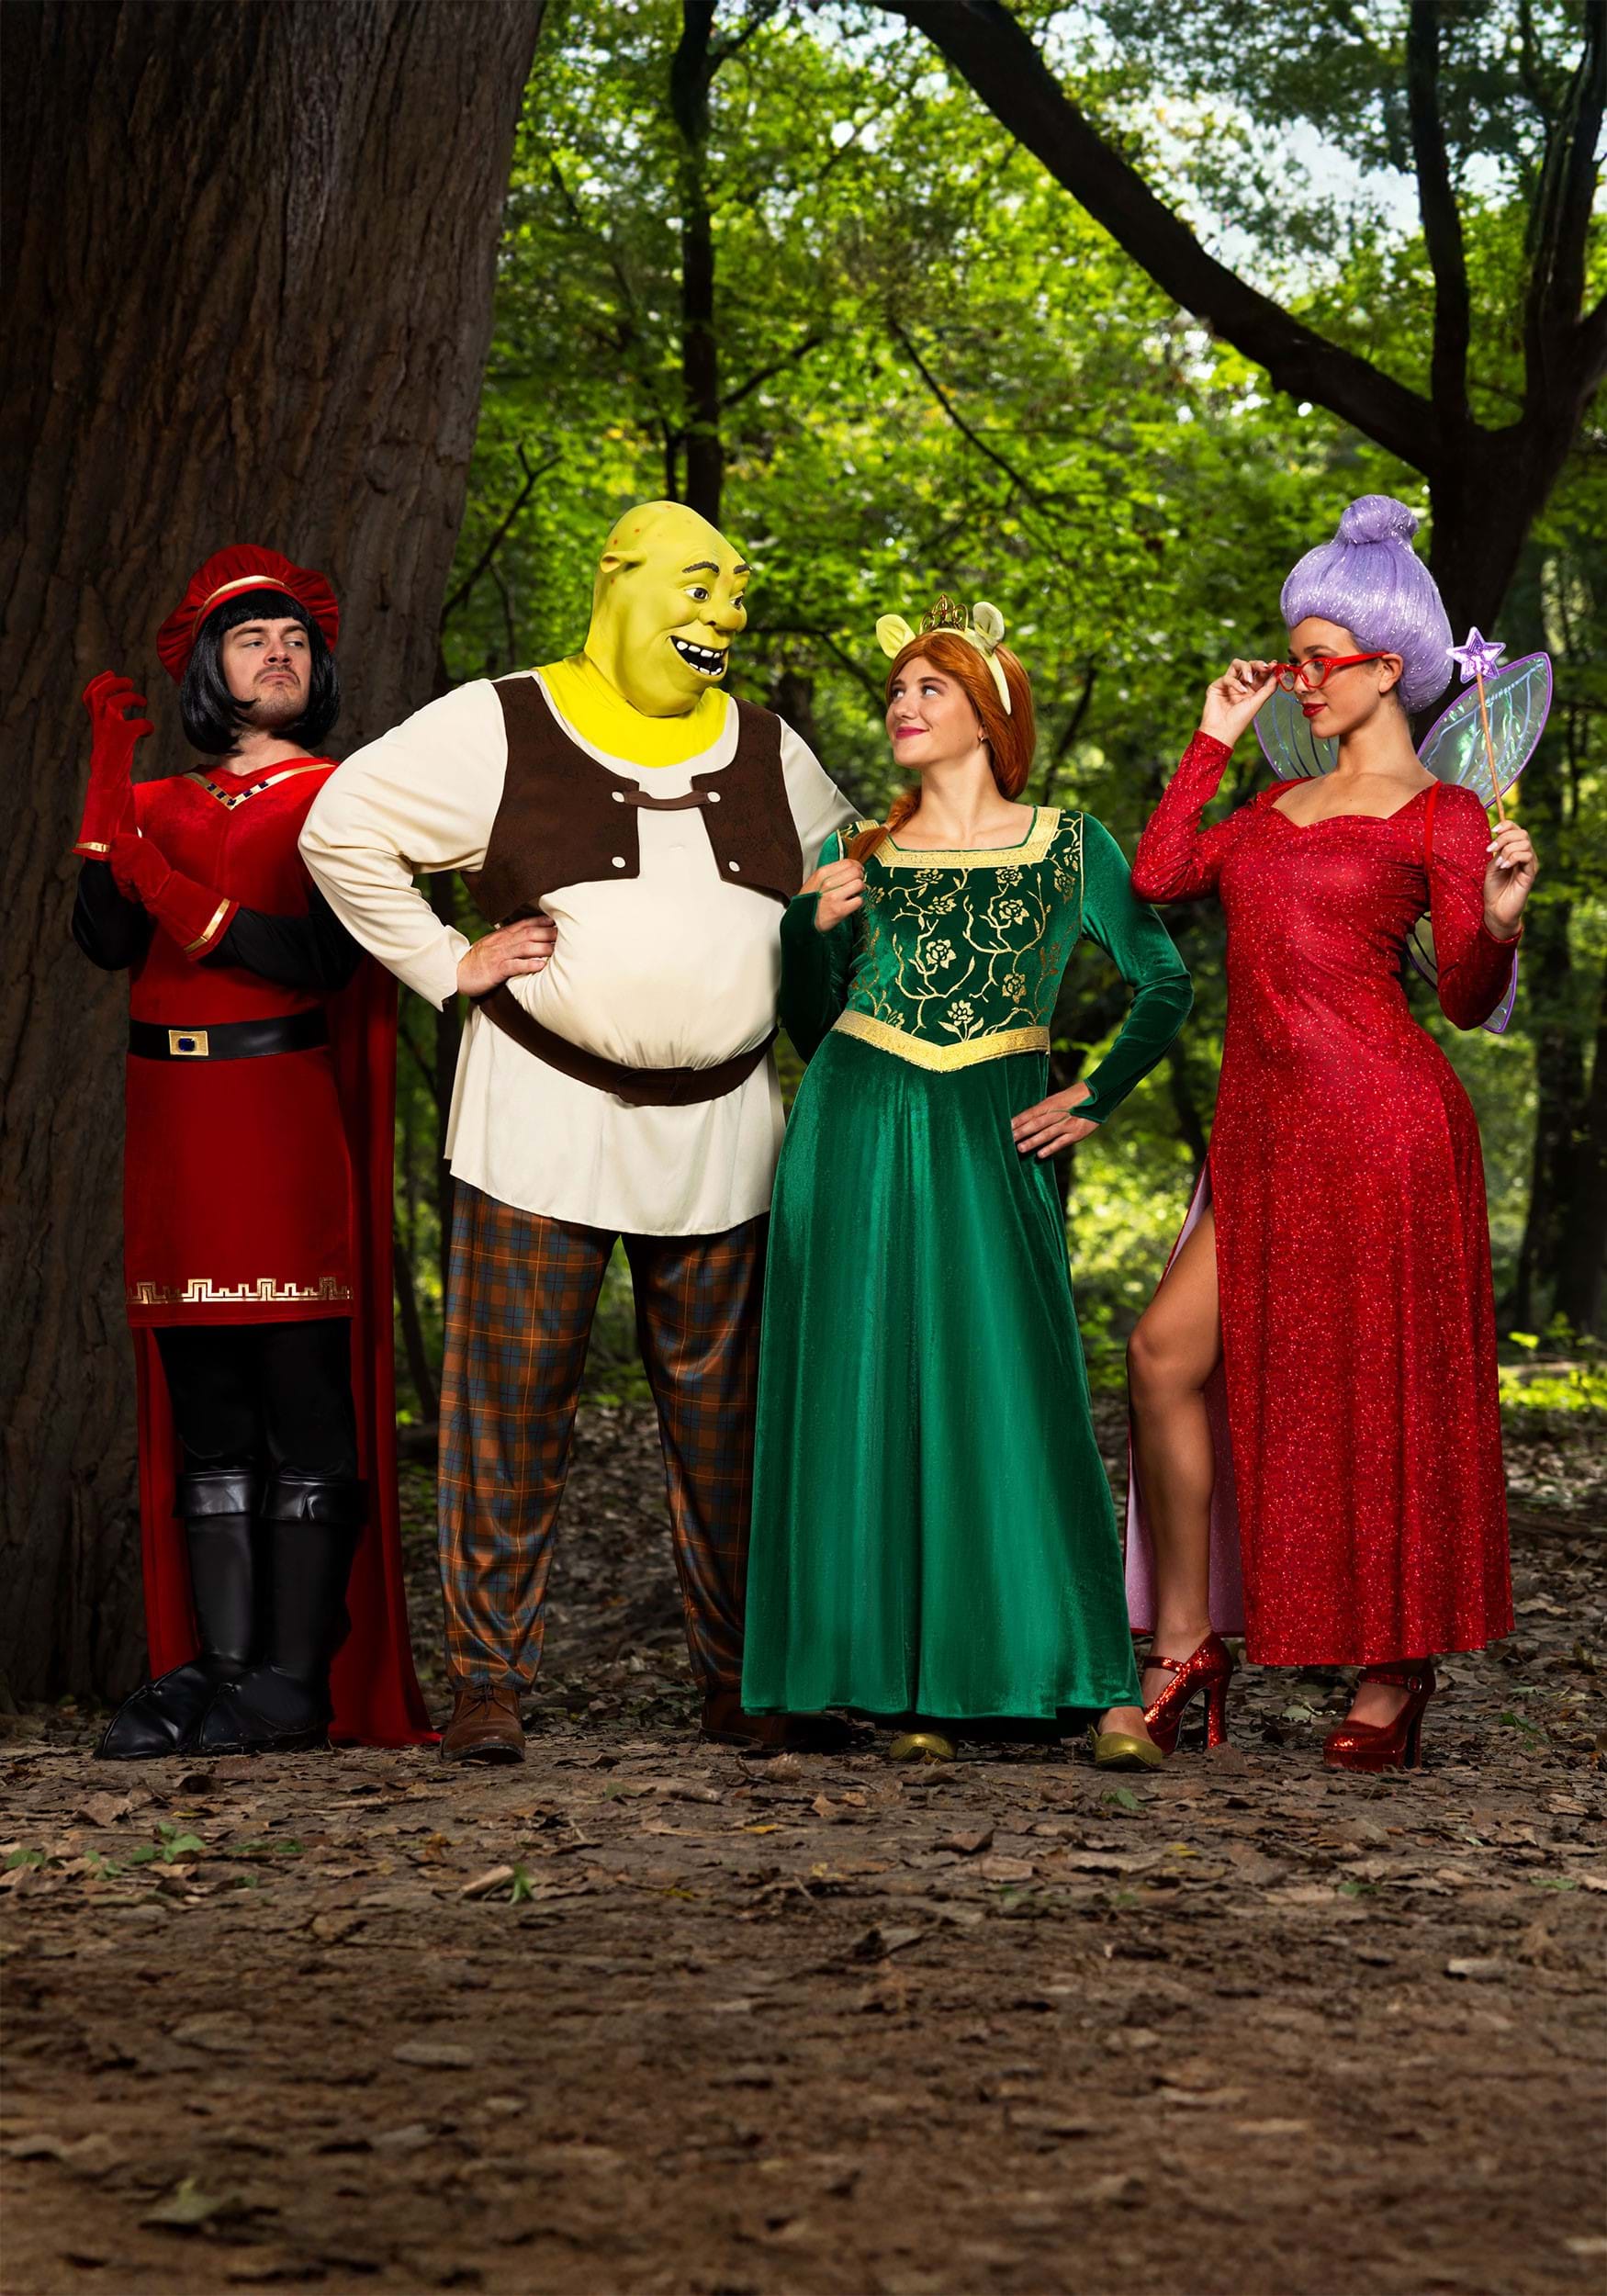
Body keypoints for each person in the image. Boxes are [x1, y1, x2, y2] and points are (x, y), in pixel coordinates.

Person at [299, 501, 858, 1764]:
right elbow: (340, 828)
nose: (725, 611)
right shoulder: (502, 720)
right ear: (620, 577)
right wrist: (444, 960)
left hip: (729, 1133)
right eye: (699, 583)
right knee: (510, 1406)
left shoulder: (771, 748)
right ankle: (489, 1683)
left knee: (730, 1422)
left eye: (736, 589)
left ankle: (746, 1680)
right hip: (538, 1119)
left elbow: (854, 880)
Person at [739, 595, 1193, 1764]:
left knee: (1016, 1383)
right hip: (854, 1124)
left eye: (928, 687)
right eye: (895, 688)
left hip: (990, 1128)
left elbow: (1164, 982)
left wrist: (1093, 1094)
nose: (902, 703)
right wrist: (803, 931)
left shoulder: (1070, 844)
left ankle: (1097, 1685)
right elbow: (808, 1026)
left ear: (988, 715)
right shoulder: (854, 854)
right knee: (867, 1388)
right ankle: (906, 1690)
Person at [1122, 496, 1537, 1772]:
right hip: (1261, 1140)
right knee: (1160, 1355)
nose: (1297, 680)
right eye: (1291, 657)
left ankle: (1393, 1667)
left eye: (1316, 660)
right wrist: (1210, 739)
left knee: (1379, 1389)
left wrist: (1499, 922)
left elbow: (1459, 998)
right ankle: (1183, 1644)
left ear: (1387, 666)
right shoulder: (1266, 810)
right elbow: (1156, 875)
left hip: (1383, 1131)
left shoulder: (1442, 818)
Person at [73, 545, 430, 1760]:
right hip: (171, 1117)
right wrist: (108, 790)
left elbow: (320, 961)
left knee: (299, 1395)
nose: (278, 655)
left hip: (277, 1108)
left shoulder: (343, 796)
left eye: (294, 642)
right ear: (206, 670)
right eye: (249, 640)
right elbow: (100, 937)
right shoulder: (161, 802)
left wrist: (178, 895)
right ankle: (222, 1670)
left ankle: (293, 1679)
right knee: (209, 1412)